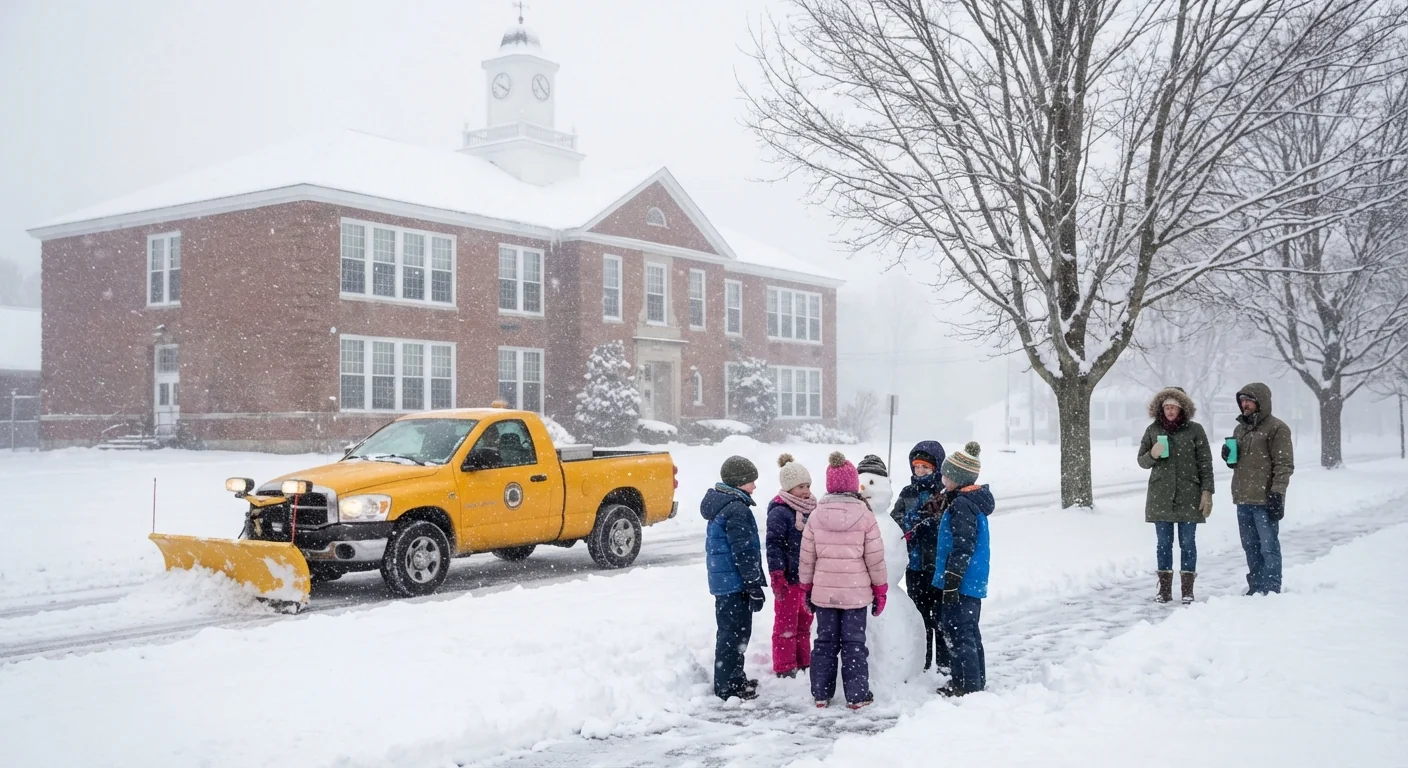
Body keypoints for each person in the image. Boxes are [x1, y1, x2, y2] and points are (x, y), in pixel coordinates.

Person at [799, 452, 888, 710]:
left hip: (824, 595)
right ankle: (857, 696)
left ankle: (821, 694)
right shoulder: (865, 516)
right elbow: (875, 558)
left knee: (824, 643)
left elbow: (807, 558)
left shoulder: (816, 515)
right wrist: (880, 589)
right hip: (856, 595)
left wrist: (806, 588)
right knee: (854, 644)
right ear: (853, 485)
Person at [1137, 387, 1215, 604]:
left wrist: (1207, 492)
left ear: (1182, 409)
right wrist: (1152, 454)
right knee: (1164, 543)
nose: (1170, 411)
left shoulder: (1195, 430)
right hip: (1160, 496)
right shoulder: (1153, 430)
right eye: (1167, 407)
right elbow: (1142, 461)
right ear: (1161, 409)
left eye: (1174, 407)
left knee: (1187, 543)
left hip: (1189, 495)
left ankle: (1188, 591)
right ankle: (1164, 590)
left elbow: (1205, 463)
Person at [930, 442, 994, 697]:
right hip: (971, 579)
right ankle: (974, 681)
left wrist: (952, 579)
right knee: (968, 630)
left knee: (958, 631)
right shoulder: (969, 501)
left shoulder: (962, 505)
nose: (943, 479)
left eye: (946, 475)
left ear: (958, 478)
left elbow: (963, 545)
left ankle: (965, 686)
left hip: (961, 580)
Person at [701, 455, 767, 700]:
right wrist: (753, 584)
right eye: (751, 481)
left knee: (731, 633)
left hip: (725, 582)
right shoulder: (736, 509)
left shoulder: (723, 504)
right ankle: (727, 686)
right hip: (735, 583)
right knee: (734, 635)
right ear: (739, 482)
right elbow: (744, 552)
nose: (754, 486)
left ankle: (733, 678)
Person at [1224, 383, 1294, 595]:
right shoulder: (1240, 429)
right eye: (1242, 401)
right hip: (1243, 497)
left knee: (1268, 546)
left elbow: (1284, 465)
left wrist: (1277, 493)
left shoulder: (1277, 428)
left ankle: (1271, 588)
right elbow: (1239, 462)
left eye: (1249, 400)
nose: (1244, 404)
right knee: (1250, 546)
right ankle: (1256, 586)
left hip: (1265, 499)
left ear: (1260, 402)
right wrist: (1228, 456)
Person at [888, 441, 949, 672]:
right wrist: (913, 520)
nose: (920, 471)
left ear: (937, 468)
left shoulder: (944, 493)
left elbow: (950, 528)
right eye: (917, 467)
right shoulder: (908, 493)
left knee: (941, 620)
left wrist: (934, 522)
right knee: (919, 620)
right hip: (915, 567)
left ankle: (944, 668)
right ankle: (921, 667)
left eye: (926, 467)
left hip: (939, 567)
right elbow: (895, 525)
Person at [766, 453, 816, 678]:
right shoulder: (780, 512)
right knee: (786, 626)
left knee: (805, 623)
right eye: (800, 487)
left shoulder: (812, 509)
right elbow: (774, 545)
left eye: (807, 486)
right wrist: (778, 575)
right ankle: (785, 666)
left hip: (807, 579)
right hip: (788, 579)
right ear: (788, 488)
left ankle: (804, 661)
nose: (805, 491)